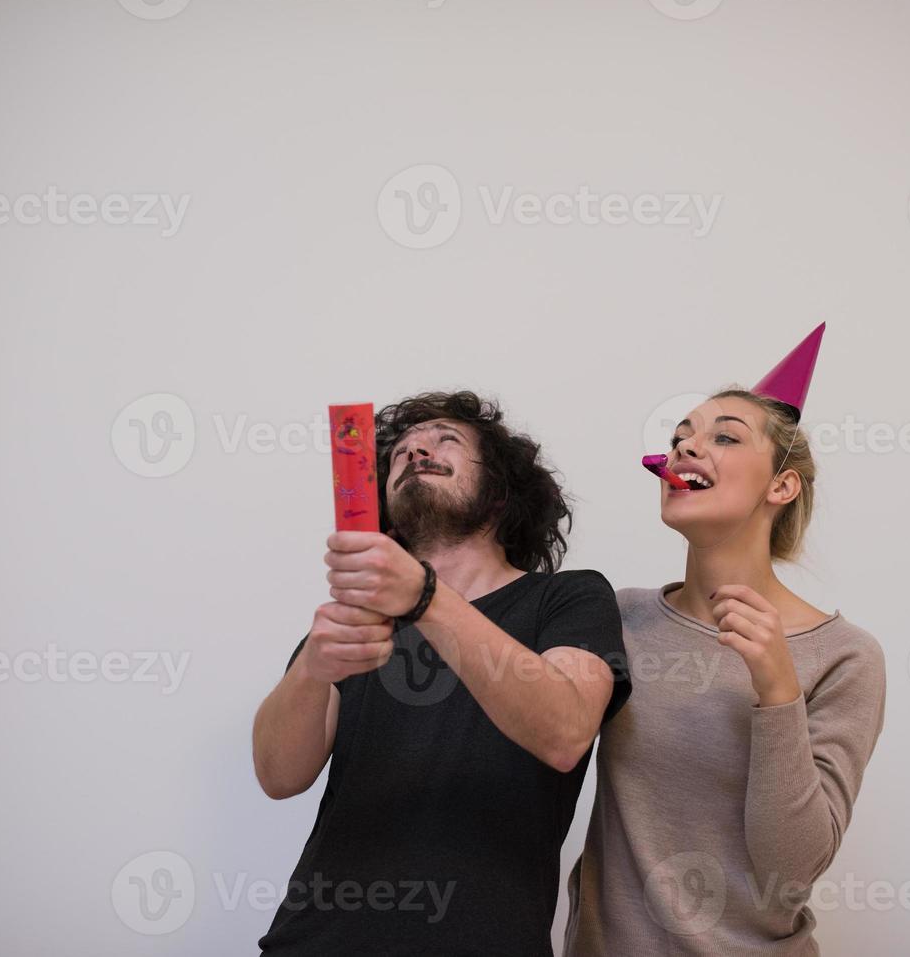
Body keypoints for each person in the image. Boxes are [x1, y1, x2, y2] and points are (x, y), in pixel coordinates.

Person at [253, 390, 631, 956]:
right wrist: (311, 668)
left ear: (501, 491)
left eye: (444, 441)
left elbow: (566, 732)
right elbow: (279, 775)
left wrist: (424, 597)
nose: (416, 453)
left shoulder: (567, 597)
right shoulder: (355, 622)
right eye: (402, 452)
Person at [565, 323, 887, 955]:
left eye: (724, 437)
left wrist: (777, 689)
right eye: (679, 436)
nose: (686, 448)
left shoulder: (845, 657)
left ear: (781, 485)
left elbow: (789, 875)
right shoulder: (619, 618)